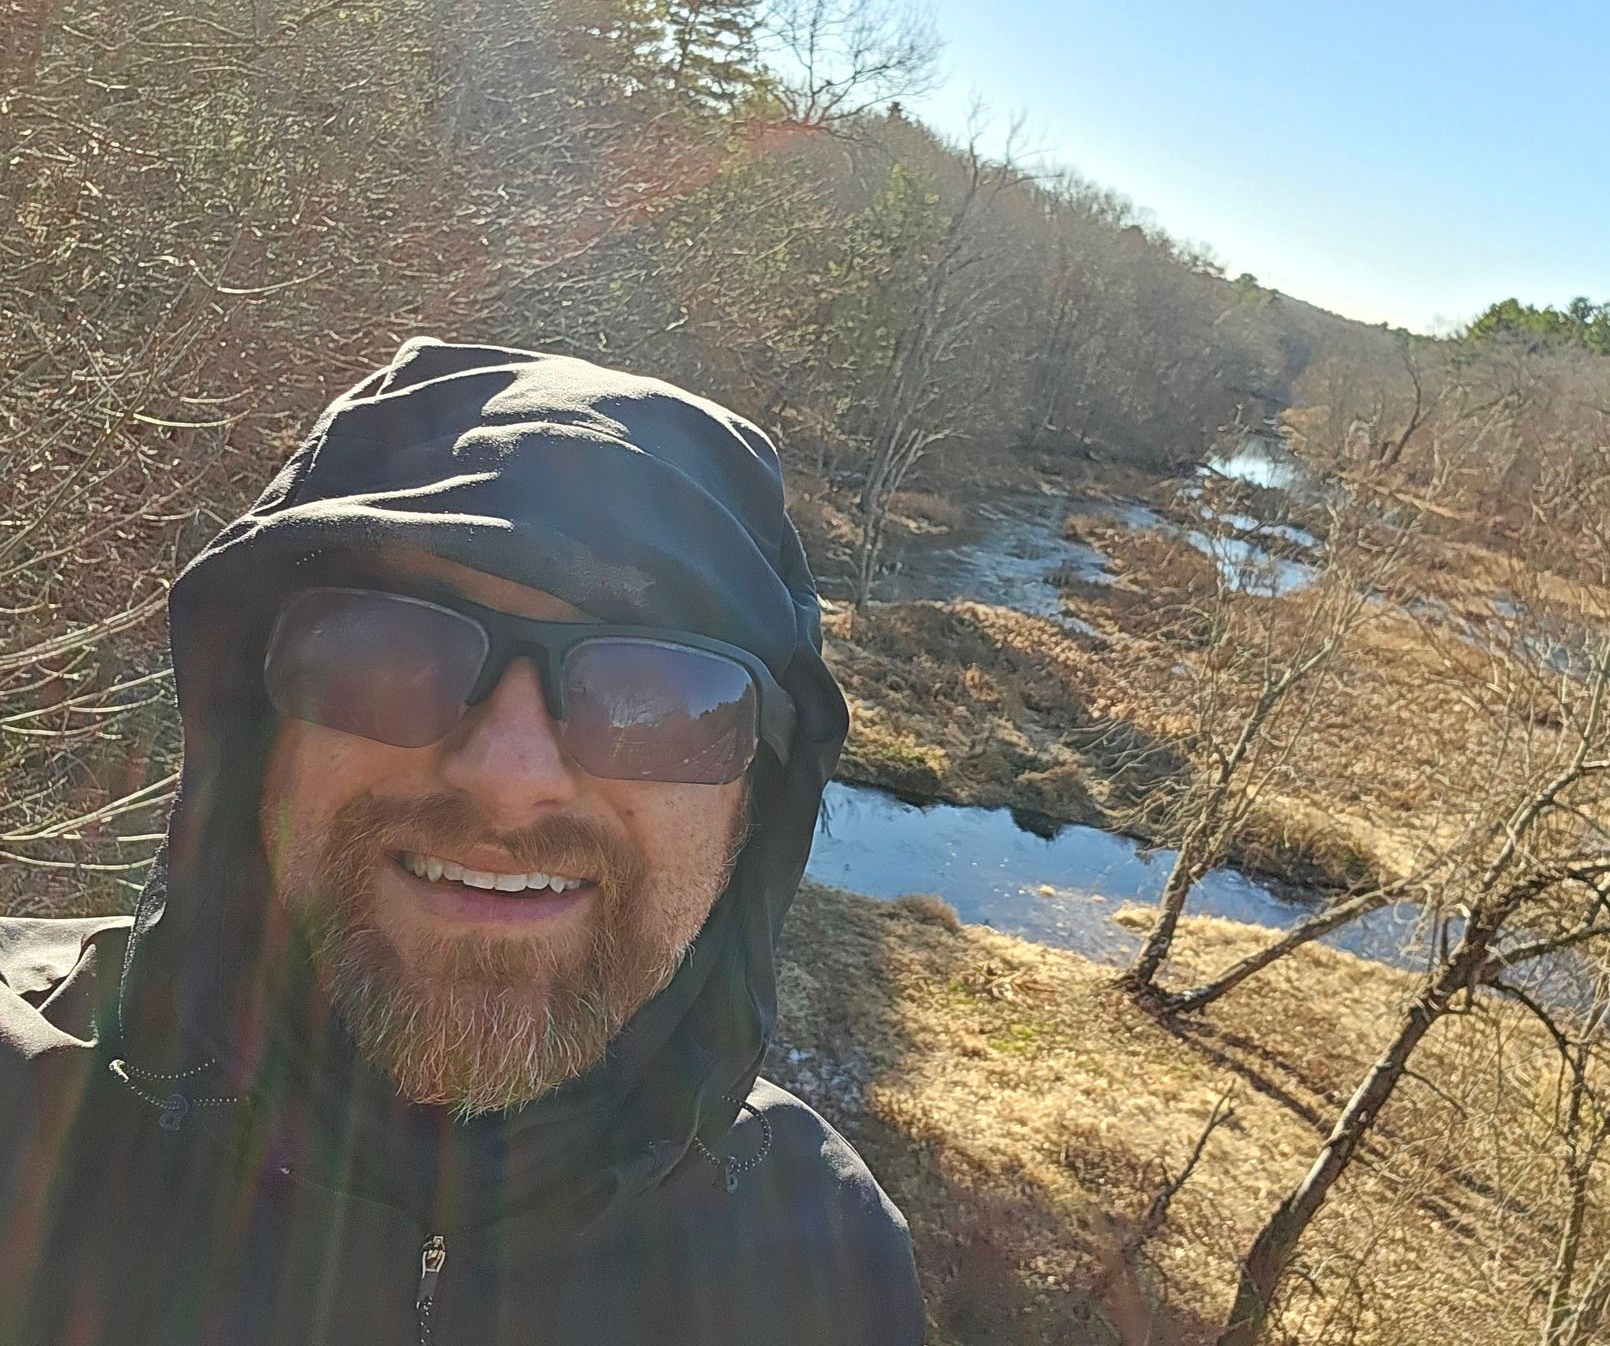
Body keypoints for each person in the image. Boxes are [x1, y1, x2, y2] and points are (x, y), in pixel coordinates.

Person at [0, 340, 924, 1344]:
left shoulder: (825, 1264)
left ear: (759, 806)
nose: (508, 774)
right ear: (254, 732)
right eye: (384, 650)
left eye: (659, 699)